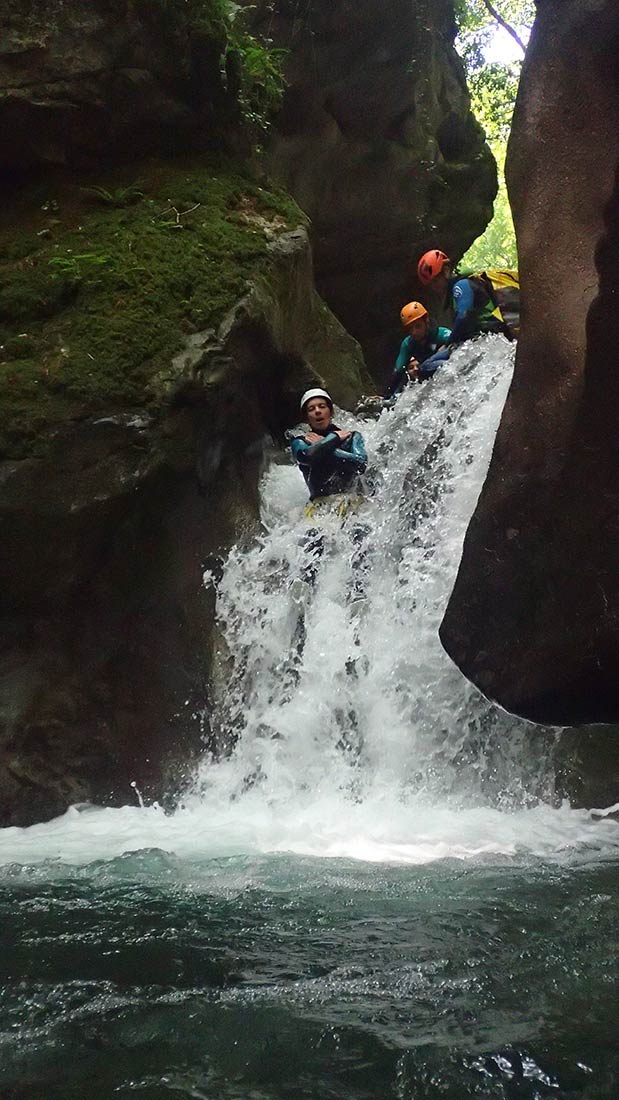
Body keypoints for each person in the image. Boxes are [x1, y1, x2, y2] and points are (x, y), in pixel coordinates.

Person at [417, 249, 514, 353]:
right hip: (484, 340)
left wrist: (449, 343)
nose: (434, 287)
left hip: (493, 336)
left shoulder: (461, 285)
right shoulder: (453, 298)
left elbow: (463, 316)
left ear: (446, 270)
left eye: (435, 281)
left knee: (429, 365)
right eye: (431, 285)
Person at [291, 388, 367, 503]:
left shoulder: (351, 437)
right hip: (319, 507)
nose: (317, 411)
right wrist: (332, 439)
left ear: (330, 412)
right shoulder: (300, 442)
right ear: (307, 418)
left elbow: (361, 464)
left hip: (353, 503)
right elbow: (306, 456)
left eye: (322, 406)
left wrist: (325, 444)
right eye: (311, 409)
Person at [385, 301, 452, 397]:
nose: (414, 332)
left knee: (423, 368)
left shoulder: (442, 334)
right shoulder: (408, 344)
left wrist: (445, 348)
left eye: (418, 326)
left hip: (445, 369)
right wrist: (387, 395)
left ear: (426, 321)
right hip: (427, 378)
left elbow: (458, 345)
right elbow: (398, 371)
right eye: (410, 329)